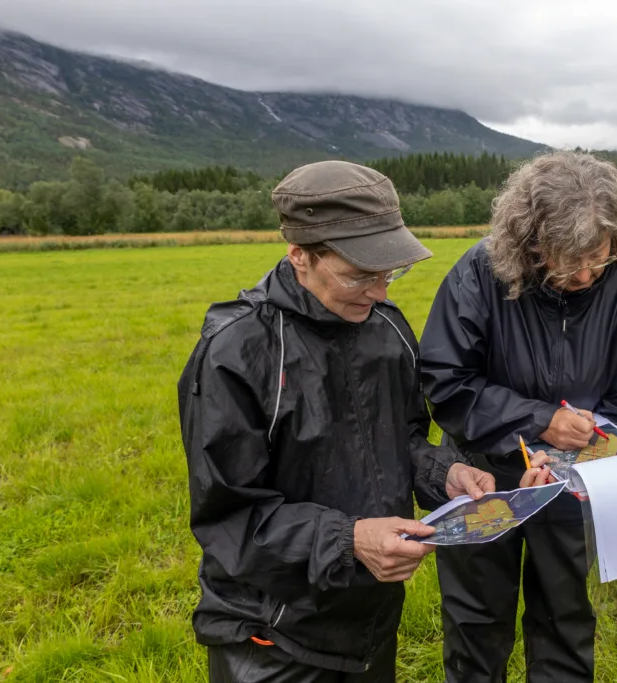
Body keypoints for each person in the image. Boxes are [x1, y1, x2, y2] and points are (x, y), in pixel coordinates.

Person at [176, 160, 547, 682]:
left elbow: (403, 439)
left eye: (389, 273)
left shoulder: (387, 330)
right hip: (272, 636)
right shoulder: (237, 352)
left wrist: (445, 474)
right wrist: (349, 540)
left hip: (371, 620)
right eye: (360, 275)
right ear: (299, 255)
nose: (380, 293)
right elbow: (229, 516)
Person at [418, 150, 617, 683]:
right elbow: (446, 382)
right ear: (530, 243)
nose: (584, 275)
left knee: (565, 621)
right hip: (482, 479)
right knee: (474, 623)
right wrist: (537, 422)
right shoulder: (480, 273)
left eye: (598, 257)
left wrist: (577, 458)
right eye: (566, 260)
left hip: (576, 489)